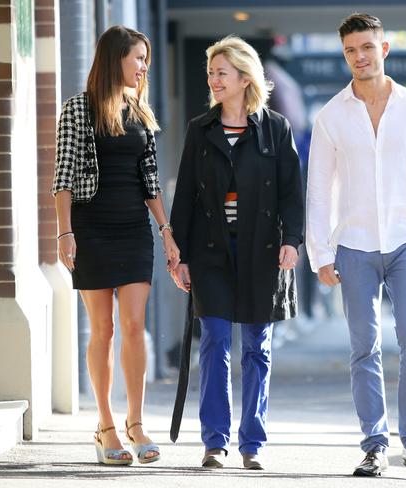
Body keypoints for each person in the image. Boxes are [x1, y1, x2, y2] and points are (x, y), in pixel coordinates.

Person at [306, 13, 406, 478]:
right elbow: (319, 189)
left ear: (384, 49)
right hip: (354, 247)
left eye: (366, 48)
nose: (359, 57)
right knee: (364, 345)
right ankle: (374, 444)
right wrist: (321, 252)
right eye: (350, 51)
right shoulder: (331, 116)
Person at [169, 35, 303, 470]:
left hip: (260, 250)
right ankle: (214, 442)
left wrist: (292, 240)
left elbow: (291, 193)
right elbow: (186, 194)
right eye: (210, 72)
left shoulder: (276, 129)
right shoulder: (199, 129)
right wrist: (180, 254)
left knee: (258, 347)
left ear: (245, 79)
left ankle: (253, 443)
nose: (212, 80)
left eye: (220, 72)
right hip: (210, 252)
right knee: (214, 342)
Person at [52, 25, 179, 466]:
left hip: (133, 230)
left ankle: (136, 421)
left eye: (146, 58)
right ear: (115, 59)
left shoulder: (140, 112)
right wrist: (65, 233)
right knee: (102, 330)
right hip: (91, 229)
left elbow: (151, 182)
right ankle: (105, 425)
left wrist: (166, 232)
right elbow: (63, 178)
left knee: (132, 325)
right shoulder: (78, 110)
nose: (144, 66)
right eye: (138, 58)